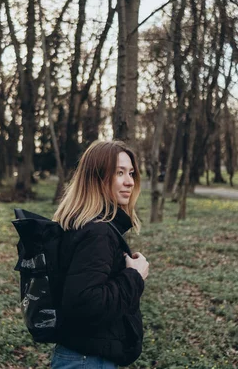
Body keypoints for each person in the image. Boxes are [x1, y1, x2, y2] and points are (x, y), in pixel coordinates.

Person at [51, 140, 149, 368]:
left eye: (131, 173)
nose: (129, 182)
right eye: (119, 173)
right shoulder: (98, 232)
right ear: (97, 178)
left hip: (80, 354)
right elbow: (85, 303)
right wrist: (134, 276)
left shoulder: (81, 223)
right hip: (88, 360)